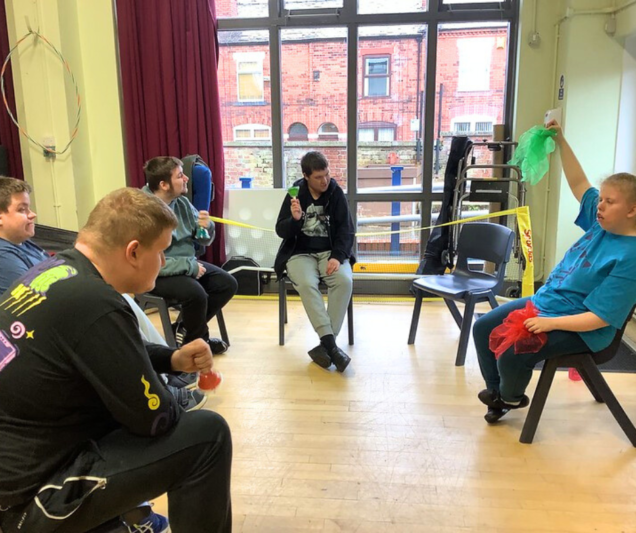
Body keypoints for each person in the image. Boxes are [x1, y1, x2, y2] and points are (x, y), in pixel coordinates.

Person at [0, 188, 232, 533]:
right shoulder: (96, 302)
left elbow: (109, 352)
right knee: (207, 435)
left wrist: (172, 359)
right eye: (162, 252)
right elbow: (156, 420)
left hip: (20, 475)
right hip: (30, 503)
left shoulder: (58, 271)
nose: (165, 262)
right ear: (134, 252)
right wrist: (158, 390)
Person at [473, 120, 636, 423]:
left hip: (584, 329)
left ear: (632, 210)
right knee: (483, 328)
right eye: (600, 199)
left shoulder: (631, 257)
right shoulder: (601, 222)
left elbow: (600, 318)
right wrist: (560, 139)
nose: (599, 205)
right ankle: (497, 394)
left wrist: (550, 324)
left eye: (609, 202)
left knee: (515, 349)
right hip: (548, 303)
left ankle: (511, 397)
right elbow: (578, 183)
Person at [143, 156, 237, 356]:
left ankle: (185, 330)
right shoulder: (144, 212)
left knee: (227, 283)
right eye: (180, 175)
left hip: (185, 264)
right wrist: (190, 267)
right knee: (196, 294)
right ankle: (199, 343)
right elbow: (147, 262)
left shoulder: (182, 202)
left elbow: (202, 240)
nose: (186, 178)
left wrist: (206, 227)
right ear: (164, 184)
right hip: (155, 272)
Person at [275, 151, 355, 372]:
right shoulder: (295, 193)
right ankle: (331, 345)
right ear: (306, 176)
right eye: (319, 177)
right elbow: (280, 230)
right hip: (299, 253)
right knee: (308, 285)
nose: (325, 180)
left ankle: (325, 345)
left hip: (330, 252)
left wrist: (338, 256)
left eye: (327, 174)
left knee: (344, 281)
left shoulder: (335, 192)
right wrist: (295, 220)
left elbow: (347, 230)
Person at [0, 177, 49, 295]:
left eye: (29, 208)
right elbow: (34, 303)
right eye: (22, 209)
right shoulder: (4, 257)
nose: (32, 214)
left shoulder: (22, 242)